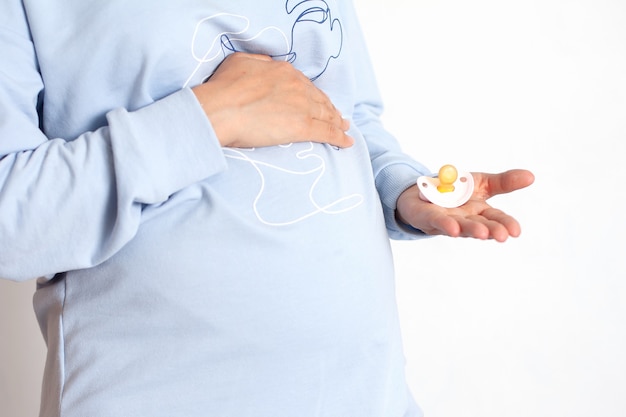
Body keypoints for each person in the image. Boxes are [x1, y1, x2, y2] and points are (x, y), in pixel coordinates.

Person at [0, 1, 534, 416]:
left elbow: (348, 116)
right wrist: (209, 117)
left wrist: (401, 188)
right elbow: (12, 221)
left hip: (366, 395)